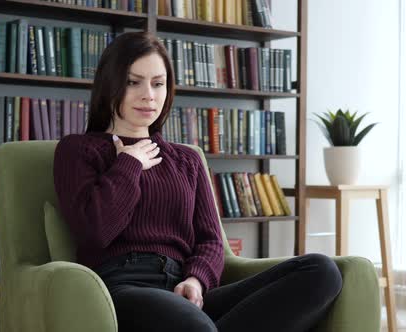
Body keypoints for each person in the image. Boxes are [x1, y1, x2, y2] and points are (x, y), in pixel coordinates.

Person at [53, 31, 342, 332]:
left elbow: (210, 240)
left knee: (321, 272)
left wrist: (196, 279)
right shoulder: (79, 150)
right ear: (110, 84)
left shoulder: (186, 159)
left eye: (158, 83)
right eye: (133, 81)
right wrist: (130, 164)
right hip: (122, 289)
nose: (148, 95)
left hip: (186, 291)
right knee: (196, 326)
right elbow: (95, 231)